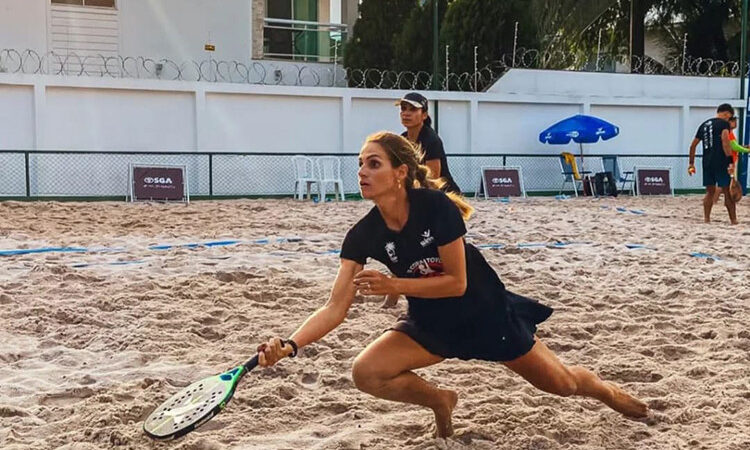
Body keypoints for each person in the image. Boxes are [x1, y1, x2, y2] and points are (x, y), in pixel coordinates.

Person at [256, 131, 649, 438]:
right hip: (432, 325)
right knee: (367, 372)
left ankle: (608, 393)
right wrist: (290, 345)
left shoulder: (435, 208)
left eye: (373, 164)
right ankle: (441, 401)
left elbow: (457, 283)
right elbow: (334, 307)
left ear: (400, 173)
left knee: (562, 384)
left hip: (486, 316)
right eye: (360, 164)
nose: (361, 171)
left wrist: (395, 285)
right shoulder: (364, 234)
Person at [397, 92, 461, 194]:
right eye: (403, 108)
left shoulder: (431, 140)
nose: (406, 113)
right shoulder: (402, 139)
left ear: (424, 115)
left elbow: (433, 180)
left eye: (413, 109)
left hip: (445, 196)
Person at [689, 103, 738, 224]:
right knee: (727, 192)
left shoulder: (704, 125)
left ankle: (707, 219)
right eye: (729, 117)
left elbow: (693, 145)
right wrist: (730, 161)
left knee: (710, 192)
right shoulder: (723, 124)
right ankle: (733, 220)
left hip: (707, 162)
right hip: (721, 161)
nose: (729, 120)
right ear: (727, 114)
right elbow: (725, 141)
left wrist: (691, 163)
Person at [713, 115, 747, 204]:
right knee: (723, 183)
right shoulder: (728, 132)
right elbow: (734, 146)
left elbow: (734, 146)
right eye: (733, 121)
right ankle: (714, 201)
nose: (735, 123)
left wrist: (743, 147)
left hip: (728, 160)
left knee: (725, 183)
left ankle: (718, 200)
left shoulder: (729, 132)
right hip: (729, 161)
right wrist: (746, 150)